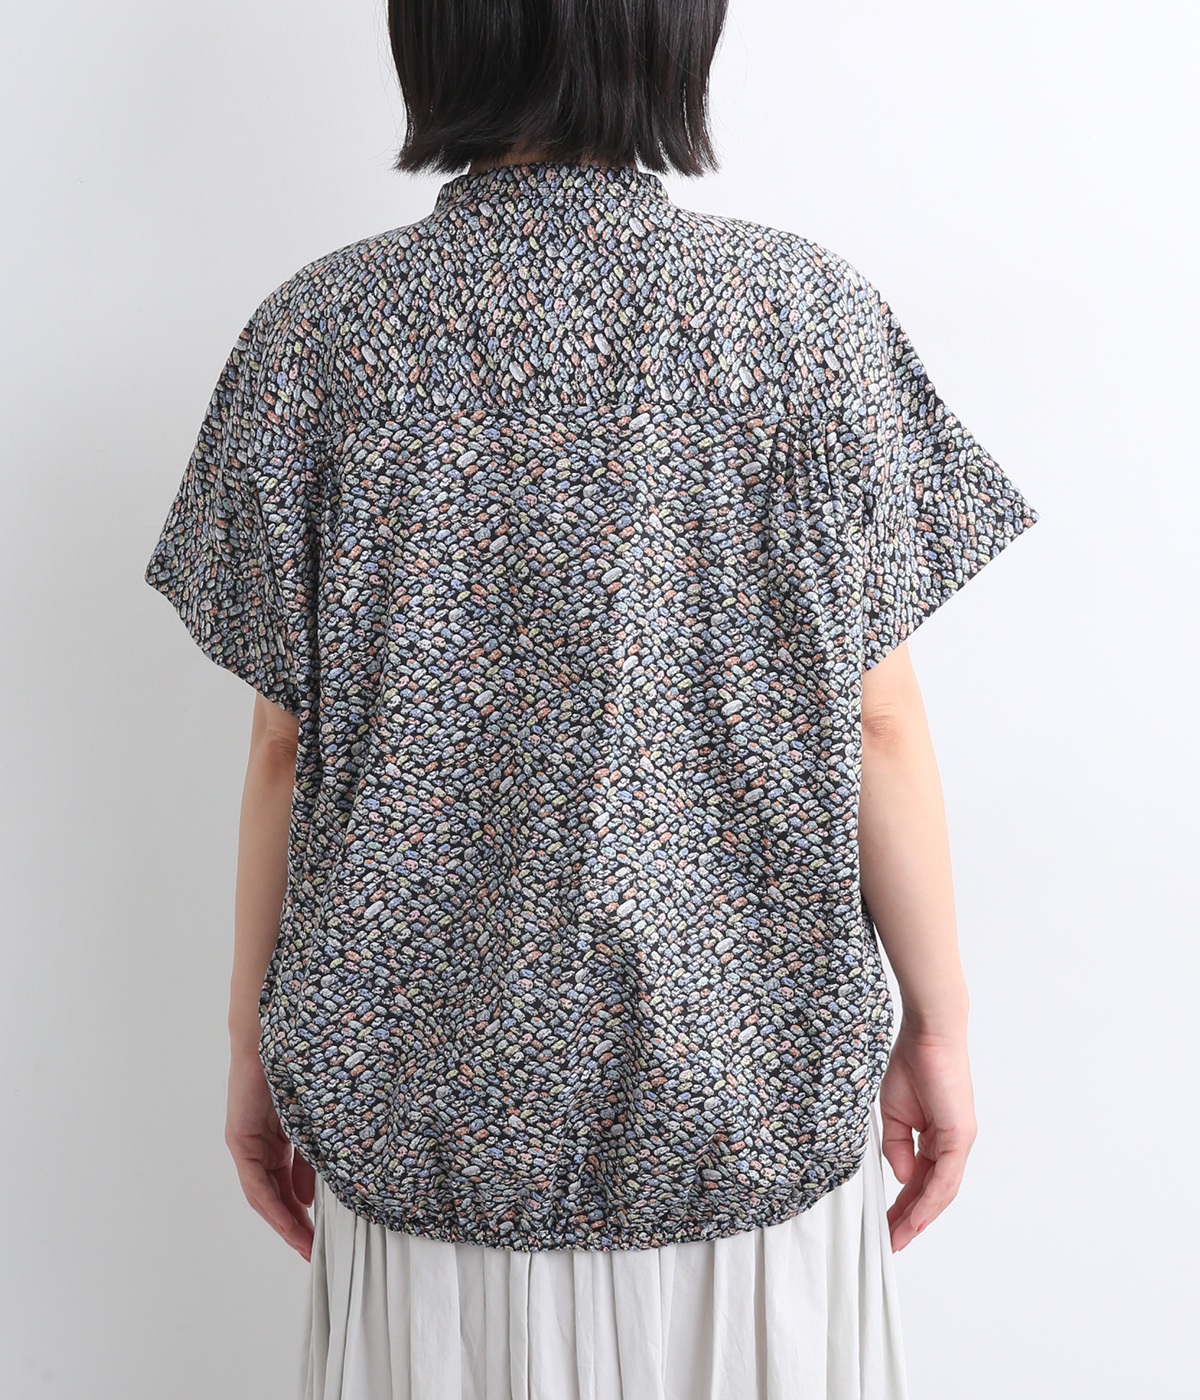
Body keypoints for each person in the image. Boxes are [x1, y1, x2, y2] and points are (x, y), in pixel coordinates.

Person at [143, 2, 1040, 1396]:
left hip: (418, 1123)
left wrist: (252, 1047)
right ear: (674, 34)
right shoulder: (804, 319)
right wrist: (940, 1030)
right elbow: (877, 720)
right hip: (742, 1114)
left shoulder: (315, 337)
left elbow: (281, 748)